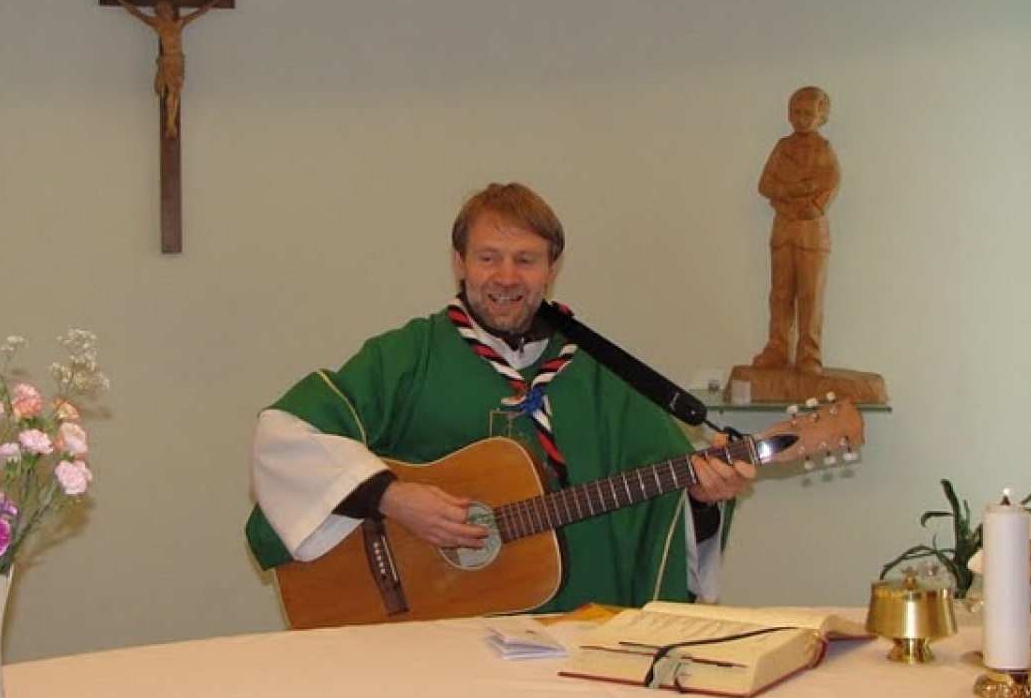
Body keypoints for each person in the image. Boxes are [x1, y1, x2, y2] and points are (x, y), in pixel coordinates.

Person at [244, 182, 754, 615]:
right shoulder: (408, 358)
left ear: (552, 267)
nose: (506, 277)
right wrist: (393, 497)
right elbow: (288, 434)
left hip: (576, 640)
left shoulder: (607, 376)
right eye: (489, 258)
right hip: (430, 640)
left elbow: (661, 512)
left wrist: (701, 500)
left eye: (525, 260)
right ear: (459, 262)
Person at [751, 86, 842, 375]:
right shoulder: (782, 147)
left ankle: (809, 354)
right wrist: (798, 189)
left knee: (810, 295)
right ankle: (777, 348)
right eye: (796, 113)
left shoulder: (824, 150)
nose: (801, 119)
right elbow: (765, 184)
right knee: (780, 293)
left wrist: (805, 202)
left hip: (812, 233)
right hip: (783, 229)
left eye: (808, 113)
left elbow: (828, 185)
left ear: (822, 116)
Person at [111, 0, 223, 138]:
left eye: (167, 9)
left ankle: (170, 123)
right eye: (162, 10)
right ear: (159, 12)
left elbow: (200, 12)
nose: (166, 12)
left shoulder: (179, 23)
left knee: (175, 93)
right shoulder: (157, 25)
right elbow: (135, 12)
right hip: (168, 62)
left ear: (171, 11)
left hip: (178, 62)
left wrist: (214, 1)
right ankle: (170, 124)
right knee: (172, 93)